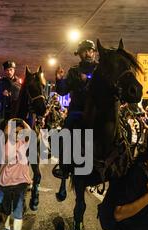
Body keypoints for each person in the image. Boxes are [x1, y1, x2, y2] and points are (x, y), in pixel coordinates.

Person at [53, 39, 98, 179]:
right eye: (85, 51)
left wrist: (88, 80)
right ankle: (64, 166)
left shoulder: (101, 69)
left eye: (90, 50)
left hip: (97, 110)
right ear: (80, 54)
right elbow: (62, 91)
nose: (88, 53)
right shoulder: (74, 71)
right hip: (78, 111)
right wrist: (59, 79)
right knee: (65, 132)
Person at [0, 119, 32, 230]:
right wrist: (11, 121)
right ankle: (6, 227)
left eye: (20, 132)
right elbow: (6, 130)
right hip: (4, 182)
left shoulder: (25, 143)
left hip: (21, 183)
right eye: (16, 132)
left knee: (18, 212)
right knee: (4, 210)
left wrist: (22, 121)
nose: (18, 134)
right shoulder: (6, 142)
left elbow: (30, 131)